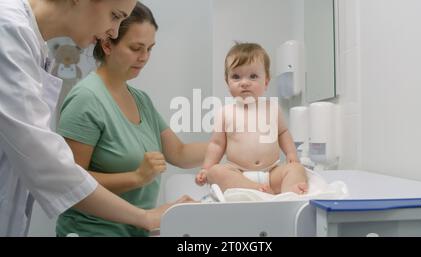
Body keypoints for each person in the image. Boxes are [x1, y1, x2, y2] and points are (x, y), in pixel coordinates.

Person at [0, 0, 191, 237]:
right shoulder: (7, 29)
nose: (113, 32)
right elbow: (48, 164)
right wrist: (144, 216)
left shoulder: (33, 45)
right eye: (115, 15)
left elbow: (179, 152)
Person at [55, 2, 206, 236]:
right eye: (136, 48)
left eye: (150, 48)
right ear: (107, 43)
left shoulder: (140, 100)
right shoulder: (86, 99)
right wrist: (136, 178)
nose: (144, 57)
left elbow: (180, 153)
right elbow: (70, 182)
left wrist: (231, 141)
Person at [195, 42, 308, 195]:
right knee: (216, 172)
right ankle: (254, 189)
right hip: (238, 173)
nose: (244, 82)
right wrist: (206, 168)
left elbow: (283, 133)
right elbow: (216, 144)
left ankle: (289, 193)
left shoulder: (272, 108)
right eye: (236, 76)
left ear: (266, 82)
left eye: (253, 76)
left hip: (271, 173)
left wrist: (291, 155)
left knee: (296, 169)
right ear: (227, 82)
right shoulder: (225, 113)